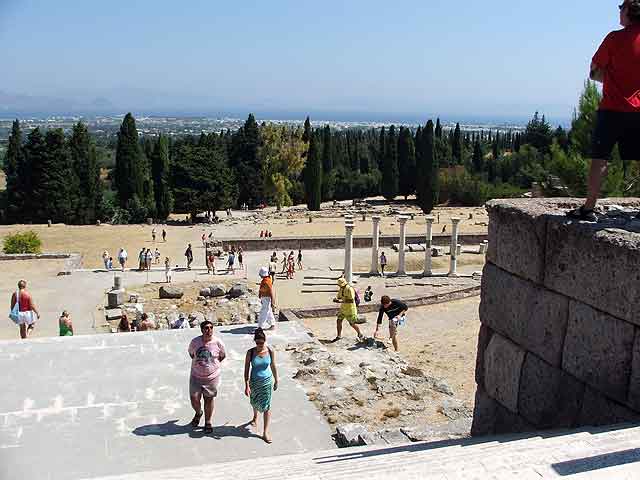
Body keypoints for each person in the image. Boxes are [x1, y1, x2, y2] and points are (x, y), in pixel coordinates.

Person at [568, 1, 640, 221]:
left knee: (599, 159)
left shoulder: (614, 38)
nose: (619, 11)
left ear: (629, 11)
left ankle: (589, 208)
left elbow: (595, 71)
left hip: (612, 108)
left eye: (621, 7)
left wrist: (609, 76)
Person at [188, 320, 226, 434]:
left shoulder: (218, 342)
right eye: (206, 328)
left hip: (211, 377)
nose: (209, 330)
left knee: (208, 399)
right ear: (202, 330)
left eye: (211, 328)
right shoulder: (195, 342)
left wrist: (212, 365)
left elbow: (222, 355)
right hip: (196, 375)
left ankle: (208, 422)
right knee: (194, 398)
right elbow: (191, 354)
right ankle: (199, 412)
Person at [244, 328, 278, 443]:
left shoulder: (270, 351)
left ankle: (265, 432)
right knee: (254, 401)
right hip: (254, 381)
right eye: (257, 342)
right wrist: (246, 385)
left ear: (265, 340)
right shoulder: (251, 352)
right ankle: (255, 417)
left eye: (261, 342)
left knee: (266, 406)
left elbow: (273, 366)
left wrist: (276, 380)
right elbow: (246, 369)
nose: (259, 344)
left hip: (267, 382)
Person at [333, 277, 364, 342]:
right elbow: (339, 296)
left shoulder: (349, 289)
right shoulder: (341, 289)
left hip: (350, 309)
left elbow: (351, 300)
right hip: (343, 308)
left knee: (352, 323)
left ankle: (359, 333)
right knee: (339, 320)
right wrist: (336, 299)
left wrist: (340, 301)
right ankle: (339, 336)